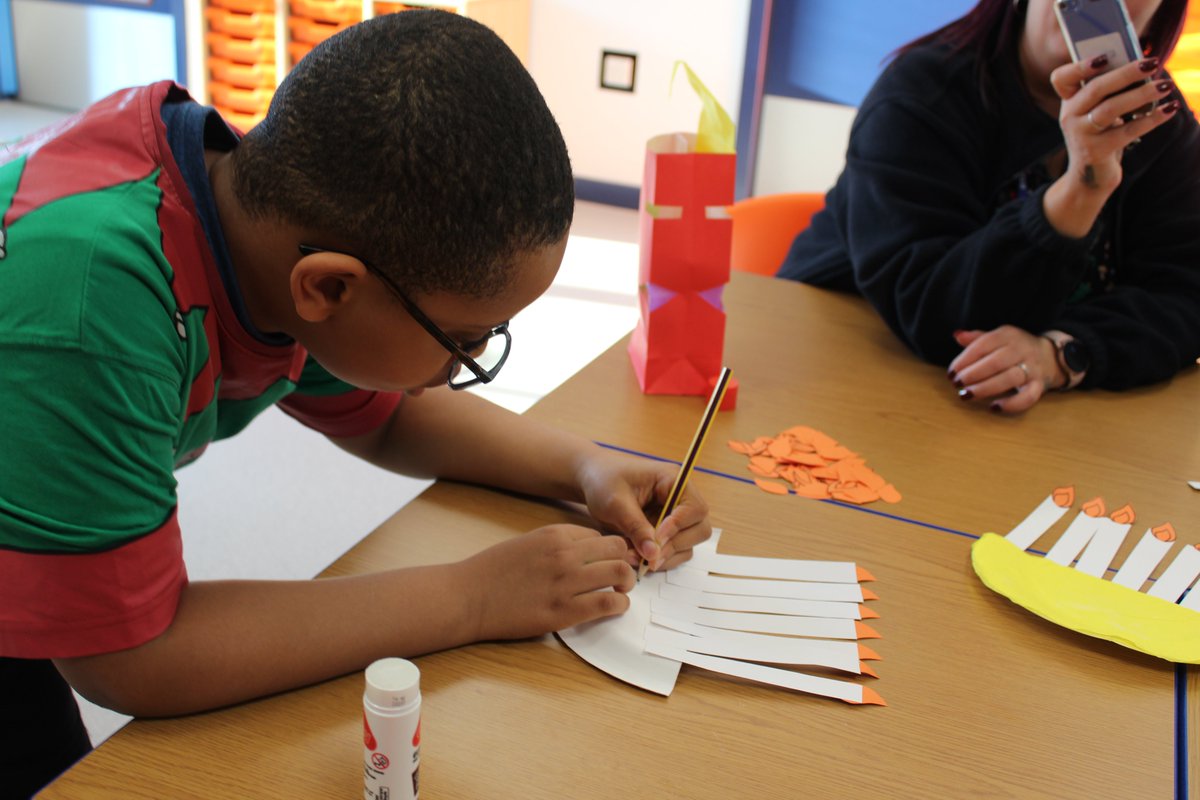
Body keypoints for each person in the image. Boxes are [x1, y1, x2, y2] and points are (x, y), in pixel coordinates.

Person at [0, 10, 711, 796]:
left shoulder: (264, 219)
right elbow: (134, 654)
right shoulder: (93, 304)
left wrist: (582, 467)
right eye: (464, 339)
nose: (465, 363)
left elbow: (393, 414)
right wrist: (472, 596)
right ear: (330, 287)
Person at [777, 0, 1200, 413]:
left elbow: (1185, 298)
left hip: (1024, 412)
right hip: (843, 361)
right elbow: (941, 320)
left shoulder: (1162, 123)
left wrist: (1059, 354)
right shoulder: (922, 93)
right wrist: (1079, 191)